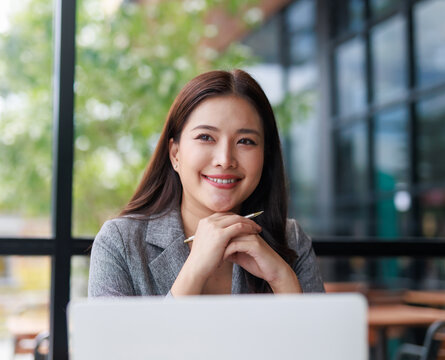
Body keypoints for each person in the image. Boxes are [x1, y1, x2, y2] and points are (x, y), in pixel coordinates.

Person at [88, 69, 324, 297]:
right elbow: (118, 340)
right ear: (175, 154)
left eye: (245, 141)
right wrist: (194, 271)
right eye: (206, 137)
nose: (225, 160)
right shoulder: (120, 242)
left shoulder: (291, 239)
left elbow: (320, 338)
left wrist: (283, 279)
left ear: (265, 155)